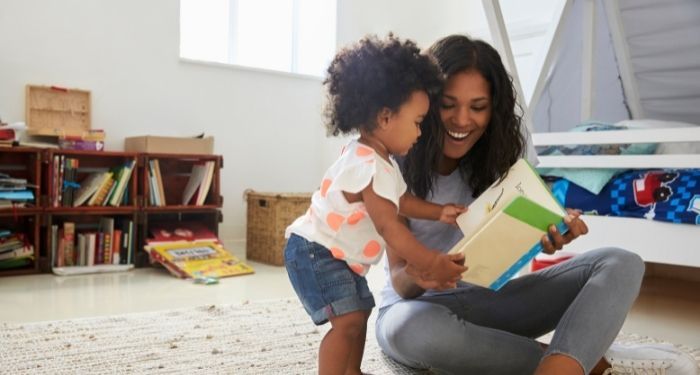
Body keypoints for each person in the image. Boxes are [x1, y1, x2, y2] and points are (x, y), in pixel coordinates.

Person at [375, 34, 699, 375]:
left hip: (492, 303)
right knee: (411, 332)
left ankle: (563, 366)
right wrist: (423, 273)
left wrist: (548, 236)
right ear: (425, 102)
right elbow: (399, 281)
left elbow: (512, 246)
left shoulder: (504, 154)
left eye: (478, 107)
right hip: (419, 308)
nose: (462, 120)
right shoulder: (393, 162)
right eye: (448, 104)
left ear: (493, 109)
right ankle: (592, 364)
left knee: (622, 263)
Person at [283, 34, 469, 375]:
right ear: (385, 118)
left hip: (334, 257)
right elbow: (389, 226)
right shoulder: (368, 166)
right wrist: (431, 262)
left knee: (360, 311)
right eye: (416, 123)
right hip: (316, 253)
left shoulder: (379, 161)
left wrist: (439, 213)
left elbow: (402, 202)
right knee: (348, 321)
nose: (419, 133)